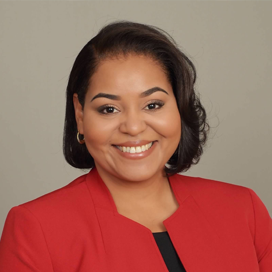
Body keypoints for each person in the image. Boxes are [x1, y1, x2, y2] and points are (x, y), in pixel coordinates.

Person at [0, 21, 271, 272]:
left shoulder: (243, 209)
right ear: (80, 115)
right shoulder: (36, 228)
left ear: (179, 107)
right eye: (109, 109)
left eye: (153, 105)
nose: (133, 127)